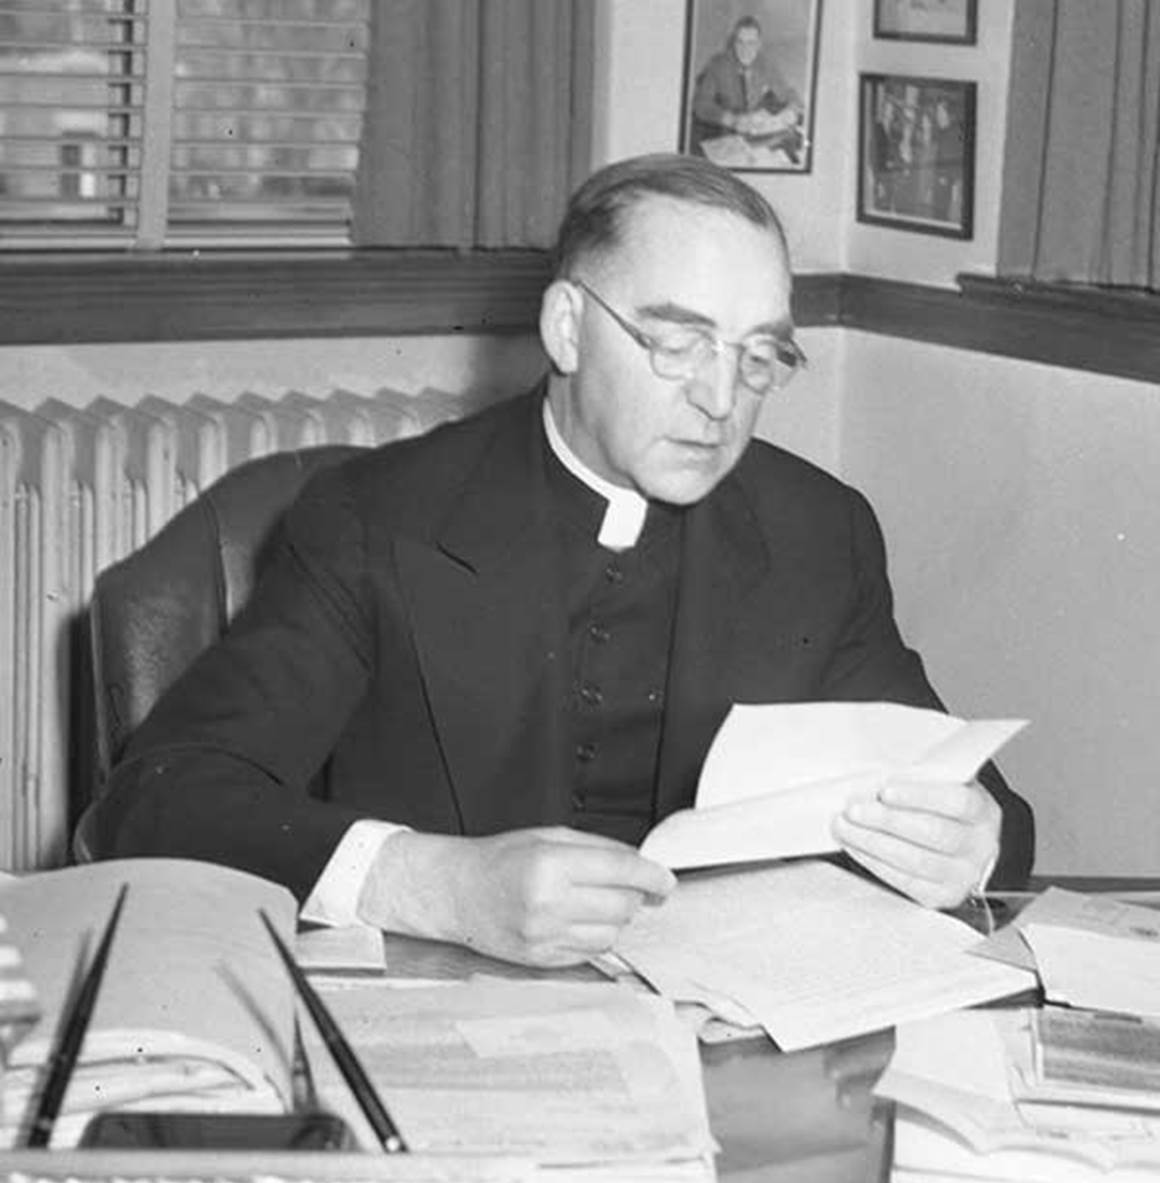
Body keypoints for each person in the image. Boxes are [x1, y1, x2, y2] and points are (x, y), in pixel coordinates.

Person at [89, 152, 1034, 968]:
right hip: (449, 1018)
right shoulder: (377, 518)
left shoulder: (818, 529)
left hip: (725, 1034)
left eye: (757, 357)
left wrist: (974, 842)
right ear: (567, 329)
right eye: (677, 342)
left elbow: (961, 783)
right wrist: (432, 884)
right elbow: (157, 799)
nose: (720, 399)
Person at [689, 15, 803, 161]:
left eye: (751, 43)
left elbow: (789, 94)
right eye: (740, 42)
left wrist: (791, 111)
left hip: (752, 135)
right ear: (733, 43)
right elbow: (700, 105)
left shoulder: (766, 64)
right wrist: (731, 120)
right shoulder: (717, 65)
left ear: (759, 44)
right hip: (719, 131)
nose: (745, 49)